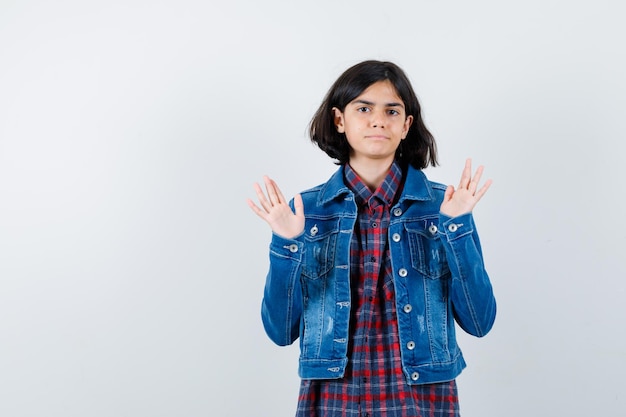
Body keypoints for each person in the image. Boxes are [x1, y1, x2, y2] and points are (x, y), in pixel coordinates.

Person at [247, 60, 496, 417]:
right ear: (339, 120)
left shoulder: (444, 207)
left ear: (406, 125)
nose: (378, 120)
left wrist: (457, 227)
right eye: (363, 108)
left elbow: (479, 320)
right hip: (333, 400)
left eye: (391, 110)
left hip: (421, 401)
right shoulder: (307, 212)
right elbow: (280, 330)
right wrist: (287, 244)